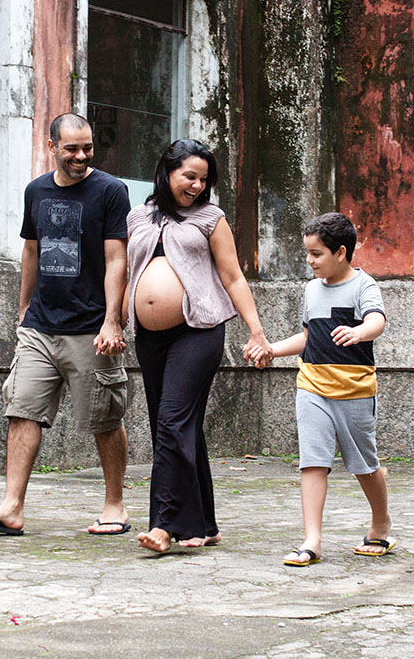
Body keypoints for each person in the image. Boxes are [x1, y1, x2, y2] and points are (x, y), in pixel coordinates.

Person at [0, 113, 133, 537]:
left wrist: (113, 321)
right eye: (71, 148)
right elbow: (31, 251)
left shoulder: (111, 190)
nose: (81, 156)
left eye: (87, 148)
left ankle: (115, 505)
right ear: (52, 145)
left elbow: (117, 258)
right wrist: (23, 308)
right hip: (40, 326)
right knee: (22, 410)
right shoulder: (36, 190)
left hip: (91, 328)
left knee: (105, 418)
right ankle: (11, 507)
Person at [126, 139, 273, 553]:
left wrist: (256, 331)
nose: (197, 185)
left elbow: (233, 276)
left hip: (198, 331)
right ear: (167, 171)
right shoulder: (138, 216)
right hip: (150, 337)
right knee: (175, 426)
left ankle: (163, 524)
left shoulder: (211, 218)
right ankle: (202, 524)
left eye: (204, 179)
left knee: (172, 423)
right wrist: (113, 322)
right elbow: (124, 272)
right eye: (189, 176)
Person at [248, 212, 394, 567]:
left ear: (340, 252)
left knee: (364, 465)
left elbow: (377, 320)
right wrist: (271, 349)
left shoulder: (363, 285)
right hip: (312, 386)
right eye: (308, 253)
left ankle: (381, 522)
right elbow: (308, 336)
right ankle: (311, 541)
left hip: (355, 391)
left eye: (316, 254)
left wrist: (359, 331)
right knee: (312, 462)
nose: (309, 261)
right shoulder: (311, 289)